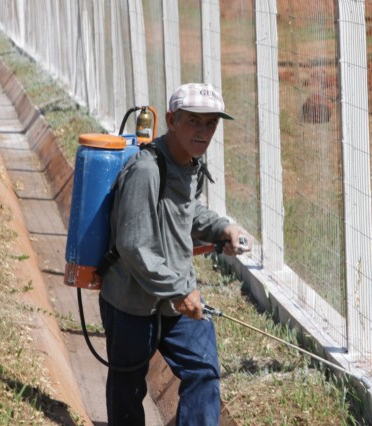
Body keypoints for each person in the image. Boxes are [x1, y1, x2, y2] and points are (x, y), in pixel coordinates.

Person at [99, 82, 249, 425]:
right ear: (171, 120)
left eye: (211, 123)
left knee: (204, 370)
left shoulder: (189, 163)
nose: (204, 131)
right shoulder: (146, 170)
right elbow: (134, 245)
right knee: (128, 387)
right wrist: (179, 289)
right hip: (132, 301)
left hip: (174, 299)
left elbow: (185, 210)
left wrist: (221, 229)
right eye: (194, 121)